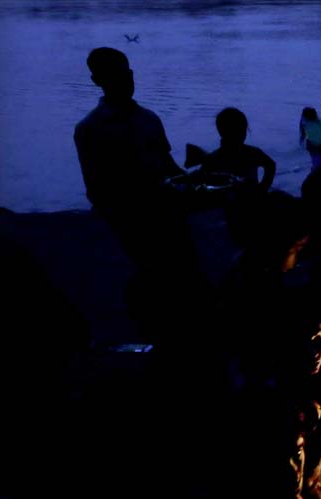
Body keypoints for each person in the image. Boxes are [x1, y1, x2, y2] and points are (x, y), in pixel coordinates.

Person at [73, 46, 203, 347]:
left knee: (185, 283)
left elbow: (169, 168)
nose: (126, 80)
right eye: (116, 75)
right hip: (136, 224)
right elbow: (97, 189)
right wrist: (125, 224)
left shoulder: (149, 119)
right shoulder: (90, 129)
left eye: (127, 73)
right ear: (97, 80)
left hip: (169, 217)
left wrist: (195, 181)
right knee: (157, 287)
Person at [199, 107, 276, 192]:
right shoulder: (253, 153)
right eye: (238, 130)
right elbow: (271, 165)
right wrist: (263, 188)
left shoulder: (212, 158)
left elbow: (271, 165)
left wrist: (262, 188)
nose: (242, 133)